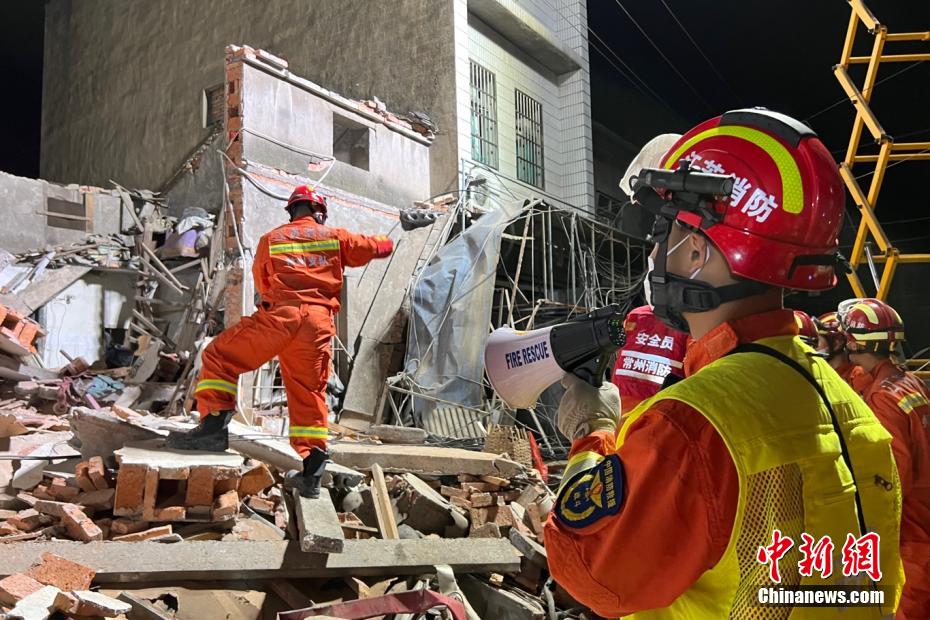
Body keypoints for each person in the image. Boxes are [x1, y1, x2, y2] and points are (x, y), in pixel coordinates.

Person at [544, 109, 903, 617]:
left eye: (664, 230)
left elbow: (592, 571)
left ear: (695, 252)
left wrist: (590, 432)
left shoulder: (696, 420)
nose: (655, 249)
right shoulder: (849, 407)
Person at [166, 185, 394, 498]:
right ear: (319, 212)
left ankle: (213, 428)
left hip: (279, 318)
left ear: (291, 211)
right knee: (308, 393)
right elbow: (374, 247)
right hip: (317, 325)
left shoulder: (271, 239)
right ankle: (312, 474)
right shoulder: (335, 237)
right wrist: (394, 233)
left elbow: (263, 284)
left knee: (220, 356)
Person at [840, 298, 930, 617]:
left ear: (854, 341)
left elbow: (894, 470)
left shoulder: (882, 397)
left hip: (910, 519)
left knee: (909, 599)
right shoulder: (910, 382)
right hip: (924, 505)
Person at [610, 305, 687, 413]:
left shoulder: (636, 314)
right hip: (657, 411)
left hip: (620, 406)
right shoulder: (687, 321)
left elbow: (619, 350)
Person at [816, 310, 864, 385]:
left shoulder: (857, 375)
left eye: (817, 341)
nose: (812, 347)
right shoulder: (818, 373)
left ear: (837, 343)